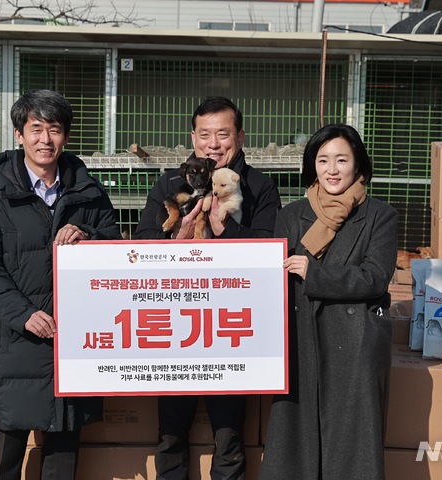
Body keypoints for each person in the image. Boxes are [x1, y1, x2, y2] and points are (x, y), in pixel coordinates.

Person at [0, 89, 121, 480]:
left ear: (65, 136)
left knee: (64, 450)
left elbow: (117, 250)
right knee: (8, 451)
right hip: (18, 342)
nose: (44, 140)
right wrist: (23, 314)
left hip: (75, 341)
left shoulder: (89, 193)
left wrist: (88, 235)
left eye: (54, 130)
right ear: (19, 134)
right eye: (36, 129)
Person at [133, 96, 282, 480]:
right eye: (205, 135)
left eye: (223, 134)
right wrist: (177, 236)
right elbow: (142, 239)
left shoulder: (260, 187)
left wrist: (223, 228)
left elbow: (269, 248)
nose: (213, 144)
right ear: (193, 139)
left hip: (230, 326)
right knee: (170, 431)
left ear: (241, 137)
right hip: (176, 323)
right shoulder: (168, 183)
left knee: (229, 435)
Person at [259, 124, 398, 480]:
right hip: (301, 338)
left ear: (358, 167)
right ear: (312, 166)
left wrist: (314, 274)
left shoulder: (379, 215)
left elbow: (375, 277)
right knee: (295, 445)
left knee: (350, 450)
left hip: (355, 344)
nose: (332, 170)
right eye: (323, 160)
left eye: (341, 160)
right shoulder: (291, 214)